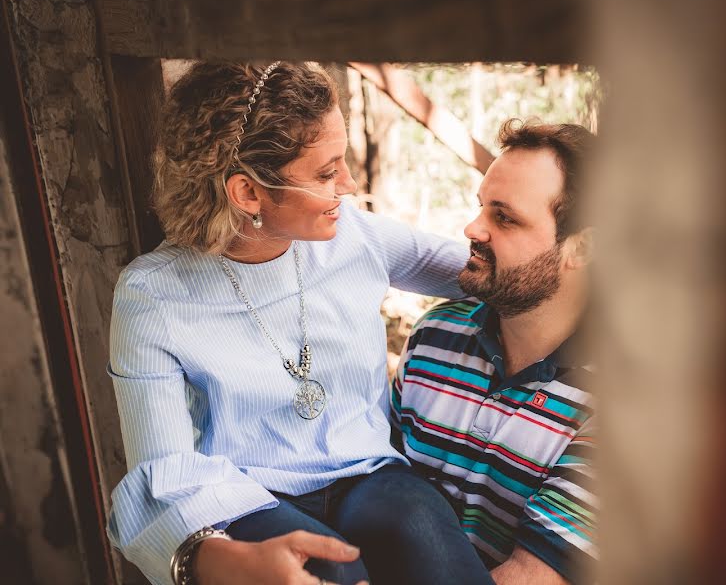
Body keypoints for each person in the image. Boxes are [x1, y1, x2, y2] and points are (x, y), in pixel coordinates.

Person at [106, 61, 495, 585]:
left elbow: (480, 273)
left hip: (367, 475)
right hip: (244, 496)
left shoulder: (356, 235)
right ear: (248, 194)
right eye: (326, 172)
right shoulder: (152, 296)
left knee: (423, 526)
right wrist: (224, 562)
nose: (351, 185)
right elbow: (164, 474)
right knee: (334, 568)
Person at [391, 119, 597, 584]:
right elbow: (372, 487)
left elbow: (533, 577)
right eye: (481, 207)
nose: (472, 228)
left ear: (582, 247)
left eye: (504, 217)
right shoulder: (434, 336)